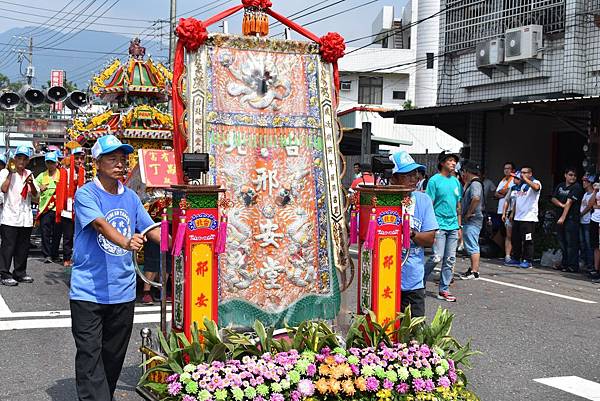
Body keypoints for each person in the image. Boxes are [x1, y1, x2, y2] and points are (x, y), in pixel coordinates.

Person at [69, 135, 160, 401]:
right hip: (88, 291)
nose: (120, 164)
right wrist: (125, 240)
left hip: (122, 291)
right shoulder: (86, 193)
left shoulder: (131, 197)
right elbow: (99, 224)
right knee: (89, 354)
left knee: (112, 356)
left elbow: (151, 228)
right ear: (97, 162)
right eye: (113, 159)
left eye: (124, 159)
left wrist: (182, 239)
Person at [389, 150, 438, 317]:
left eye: (415, 174)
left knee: (414, 337)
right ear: (393, 178)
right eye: (407, 174)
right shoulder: (380, 200)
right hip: (384, 281)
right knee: (384, 336)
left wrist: (410, 233)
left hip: (413, 282)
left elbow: (430, 239)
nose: (414, 178)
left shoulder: (423, 200)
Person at [424, 151, 462, 302]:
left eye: (454, 161)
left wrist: (460, 226)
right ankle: (420, 281)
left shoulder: (456, 182)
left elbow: (458, 205)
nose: (453, 163)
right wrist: (430, 227)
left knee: (450, 259)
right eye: (450, 161)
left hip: (453, 225)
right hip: (438, 224)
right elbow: (429, 204)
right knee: (436, 257)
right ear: (442, 163)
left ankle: (444, 290)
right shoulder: (434, 181)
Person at [0, 146, 39, 286]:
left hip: (25, 217)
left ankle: (20, 272)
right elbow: (3, 189)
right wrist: (11, 172)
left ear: (27, 161)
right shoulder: (5, 172)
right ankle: (4, 273)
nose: (21, 161)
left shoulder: (29, 173)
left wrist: (31, 184)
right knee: (8, 247)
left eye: (24, 159)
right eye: (19, 158)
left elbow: (35, 195)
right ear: (14, 159)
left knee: (23, 247)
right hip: (10, 216)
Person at [506, 166, 542, 269]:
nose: (522, 174)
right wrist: (512, 213)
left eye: (525, 172)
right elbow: (517, 200)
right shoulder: (520, 185)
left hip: (529, 217)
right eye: (521, 172)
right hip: (518, 217)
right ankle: (516, 258)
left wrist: (526, 179)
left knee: (527, 240)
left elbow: (536, 188)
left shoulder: (536, 182)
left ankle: (528, 260)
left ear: (530, 174)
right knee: (515, 239)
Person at [57, 146, 87, 267]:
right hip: (67, 208)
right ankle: (66, 258)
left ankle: (79, 257)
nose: (80, 161)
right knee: (68, 235)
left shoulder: (84, 172)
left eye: (82, 158)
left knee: (81, 235)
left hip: (80, 208)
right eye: (78, 158)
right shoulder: (65, 171)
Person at [551, 167, 584, 272]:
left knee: (571, 243)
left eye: (574, 175)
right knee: (562, 242)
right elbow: (553, 198)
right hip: (560, 217)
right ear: (565, 175)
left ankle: (572, 266)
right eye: (570, 175)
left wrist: (563, 217)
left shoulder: (577, 187)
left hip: (571, 219)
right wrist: (561, 205)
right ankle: (564, 264)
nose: (572, 177)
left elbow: (569, 203)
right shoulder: (560, 186)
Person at [35, 151, 63, 264]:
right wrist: (39, 186)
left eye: (52, 162)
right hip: (45, 209)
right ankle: (47, 255)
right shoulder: (42, 176)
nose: (50, 165)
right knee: (45, 233)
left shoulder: (62, 175)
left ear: (56, 163)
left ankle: (55, 254)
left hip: (58, 209)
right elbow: (32, 184)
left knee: (57, 233)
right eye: (48, 162)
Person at [459, 160, 483, 280]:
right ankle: (473, 269)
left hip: (473, 219)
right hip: (472, 220)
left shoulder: (475, 184)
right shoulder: (471, 183)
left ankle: (475, 271)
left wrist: (469, 213)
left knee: (472, 245)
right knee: (470, 244)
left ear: (467, 171)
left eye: (463, 171)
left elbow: (476, 198)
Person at [495, 162, 516, 263]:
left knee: (509, 234)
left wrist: (502, 192)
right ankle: (504, 253)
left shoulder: (513, 180)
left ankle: (510, 254)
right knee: (503, 233)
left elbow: (506, 192)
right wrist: (502, 192)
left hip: (509, 210)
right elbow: (496, 193)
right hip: (500, 210)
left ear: (513, 170)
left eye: (509, 168)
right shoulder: (503, 180)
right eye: (505, 168)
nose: (506, 170)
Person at [501, 171, 521, 261]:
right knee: (508, 235)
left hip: (519, 215)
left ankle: (519, 255)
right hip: (510, 214)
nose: (514, 179)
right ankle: (507, 256)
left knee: (518, 236)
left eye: (516, 178)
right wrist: (504, 213)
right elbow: (506, 200)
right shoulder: (512, 188)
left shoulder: (524, 189)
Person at [580, 174, 596, 272]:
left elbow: (589, 206)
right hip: (582, 221)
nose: (584, 183)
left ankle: (590, 264)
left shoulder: (592, 194)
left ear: (590, 183)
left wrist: (581, 214)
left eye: (586, 181)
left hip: (588, 221)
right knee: (582, 243)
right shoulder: (585, 194)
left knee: (588, 243)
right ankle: (585, 262)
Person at [588, 179, 600, 282]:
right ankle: (596, 269)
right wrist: (595, 191)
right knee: (596, 246)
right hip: (595, 219)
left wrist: (597, 205)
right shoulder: (597, 191)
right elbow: (591, 203)